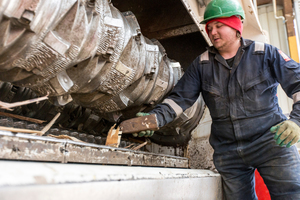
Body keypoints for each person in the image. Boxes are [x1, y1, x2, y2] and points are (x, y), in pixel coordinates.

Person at [133, 0, 300, 199]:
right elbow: (179, 100)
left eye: (219, 26)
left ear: (236, 24)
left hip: (271, 143)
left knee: (291, 195)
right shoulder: (201, 65)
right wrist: (154, 119)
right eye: (209, 27)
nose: (212, 32)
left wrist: (296, 121)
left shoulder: (265, 54)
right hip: (229, 152)